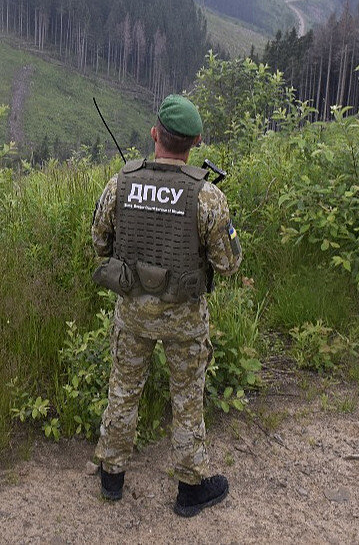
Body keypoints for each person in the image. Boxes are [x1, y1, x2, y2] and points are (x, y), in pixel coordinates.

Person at [89, 94, 243, 518]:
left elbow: (99, 243)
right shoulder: (207, 196)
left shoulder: (121, 182)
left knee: (123, 390)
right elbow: (229, 264)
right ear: (194, 143)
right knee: (187, 398)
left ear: (155, 134)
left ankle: (112, 475)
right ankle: (190, 488)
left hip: (134, 312)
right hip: (185, 319)